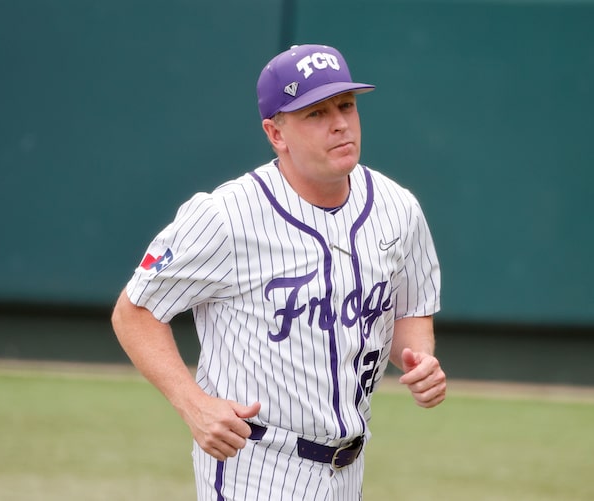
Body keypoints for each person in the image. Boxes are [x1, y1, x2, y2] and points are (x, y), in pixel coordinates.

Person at [111, 43, 446, 501]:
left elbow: (410, 309)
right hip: (256, 462)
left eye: (346, 105)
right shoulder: (225, 216)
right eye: (314, 114)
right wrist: (193, 405)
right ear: (276, 133)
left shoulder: (397, 208)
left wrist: (419, 358)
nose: (340, 123)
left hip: (349, 464)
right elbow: (134, 312)